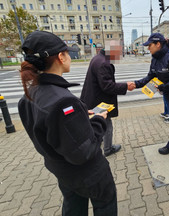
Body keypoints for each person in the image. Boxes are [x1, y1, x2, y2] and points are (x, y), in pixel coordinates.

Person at [18, 31, 117, 216]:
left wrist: (79, 116)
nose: (70, 56)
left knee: (73, 206)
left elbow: (49, 131)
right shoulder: (63, 101)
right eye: (67, 53)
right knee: (105, 204)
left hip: (62, 171)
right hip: (89, 174)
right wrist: (98, 120)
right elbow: (84, 151)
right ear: (60, 57)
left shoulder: (28, 96)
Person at [132, 33, 169, 154]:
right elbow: (150, 76)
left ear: (158, 44)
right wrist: (136, 84)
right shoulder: (155, 58)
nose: (148, 48)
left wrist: (164, 87)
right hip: (168, 95)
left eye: (150, 45)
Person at [80, 41, 135, 157]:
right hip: (100, 100)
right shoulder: (104, 63)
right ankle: (108, 148)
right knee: (107, 123)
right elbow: (107, 86)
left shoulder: (97, 58)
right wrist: (126, 86)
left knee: (98, 122)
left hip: (93, 97)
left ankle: (100, 141)